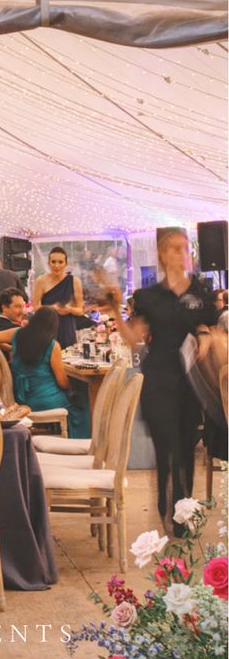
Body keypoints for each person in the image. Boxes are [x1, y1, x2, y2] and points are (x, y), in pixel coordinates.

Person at [105, 228, 218, 533]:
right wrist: (116, 309)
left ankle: (184, 510)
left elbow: (209, 325)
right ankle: (166, 509)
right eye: (176, 249)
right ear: (162, 254)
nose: (183, 254)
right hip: (158, 378)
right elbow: (133, 338)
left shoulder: (201, 292)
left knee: (187, 446)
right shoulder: (148, 297)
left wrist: (205, 335)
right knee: (166, 446)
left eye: (186, 249)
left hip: (191, 380)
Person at [10, 306, 90, 438]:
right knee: (82, 401)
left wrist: (8, 349)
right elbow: (62, 382)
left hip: (22, 396)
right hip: (45, 401)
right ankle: (80, 441)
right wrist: (74, 386)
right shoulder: (52, 345)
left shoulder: (18, 335)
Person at [33, 247, 84, 350]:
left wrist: (69, 309)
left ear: (66, 264)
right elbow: (35, 307)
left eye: (60, 262)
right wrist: (52, 308)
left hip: (66, 328)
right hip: (46, 327)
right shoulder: (41, 281)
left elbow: (80, 310)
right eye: (53, 262)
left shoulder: (75, 281)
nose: (57, 266)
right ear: (48, 263)